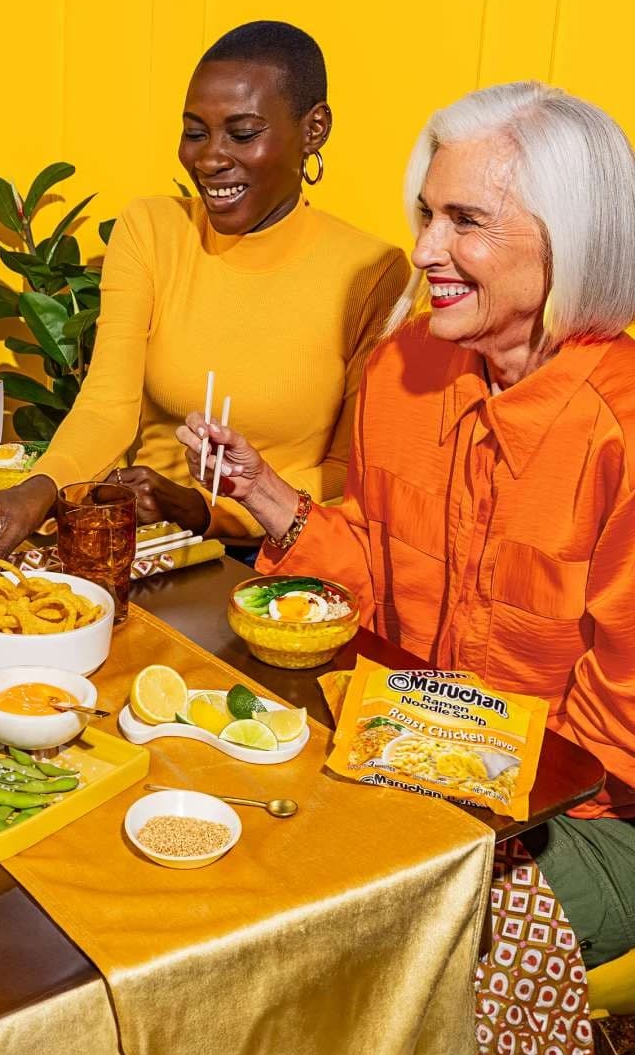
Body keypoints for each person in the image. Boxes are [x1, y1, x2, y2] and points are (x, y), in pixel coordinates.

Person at [181, 81, 635, 967]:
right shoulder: (403, 369)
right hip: (411, 756)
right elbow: (375, 575)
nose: (426, 249)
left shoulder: (622, 428)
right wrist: (266, 493)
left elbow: (618, 722)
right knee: (219, 844)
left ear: (570, 242)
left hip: (584, 818)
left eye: (466, 220)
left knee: (346, 944)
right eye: (428, 214)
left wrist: (441, 784)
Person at [0, 20, 408, 575]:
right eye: (196, 132)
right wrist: (35, 493)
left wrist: (208, 510)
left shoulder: (374, 272)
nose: (209, 158)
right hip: (145, 547)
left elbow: (345, 471)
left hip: (273, 562)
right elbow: (107, 407)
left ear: (313, 129)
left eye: (243, 133)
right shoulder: (153, 230)